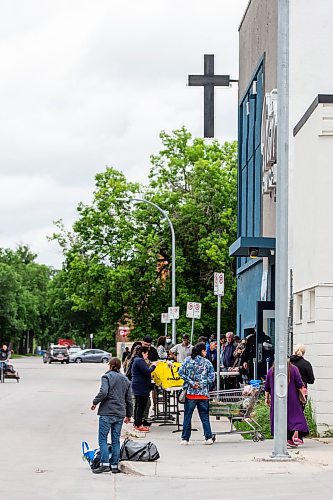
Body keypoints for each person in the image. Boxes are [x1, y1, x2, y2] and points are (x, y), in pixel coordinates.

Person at [91, 357, 133, 474]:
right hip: (120, 413)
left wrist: (95, 402)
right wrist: (129, 414)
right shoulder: (125, 380)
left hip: (107, 412)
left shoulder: (106, 377)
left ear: (110, 365)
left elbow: (104, 392)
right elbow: (129, 399)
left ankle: (104, 464)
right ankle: (114, 465)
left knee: (103, 438)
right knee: (116, 440)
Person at [264, 361, 309, 448]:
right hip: (293, 399)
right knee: (296, 417)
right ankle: (296, 435)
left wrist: (267, 398)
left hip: (277, 399)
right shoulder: (294, 369)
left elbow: (267, 387)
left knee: (280, 417)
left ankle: (286, 438)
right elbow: (299, 384)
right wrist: (302, 395)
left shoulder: (272, 370)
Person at [178, 342, 215, 445]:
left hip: (190, 393)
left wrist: (192, 383)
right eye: (205, 350)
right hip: (203, 394)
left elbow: (181, 372)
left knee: (187, 416)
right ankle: (208, 437)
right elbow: (212, 377)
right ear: (202, 351)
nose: (206, 352)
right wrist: (202, 383)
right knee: (204, 416)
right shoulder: (207, 362)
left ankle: (185, 438)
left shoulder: (187, 361)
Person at [290, 344, 315, 444]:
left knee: (289, 412)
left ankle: (289, 435)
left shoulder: (289, 363)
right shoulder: (306, 364)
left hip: (289, 390)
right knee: (300, 412)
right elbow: (311, 380)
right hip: (301, 391)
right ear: (303, 352)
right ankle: (298, 435)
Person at [131, 346, 158, 432]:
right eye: (146, 353)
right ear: (142, 353)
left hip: (138, 386)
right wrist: (153, 366)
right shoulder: (139, 360)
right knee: (141, 406)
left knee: (138, 406)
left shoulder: (137, 360)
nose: (147, 355)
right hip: (141, 387)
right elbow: (147, 371)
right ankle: (139, 424)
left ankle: (136, 423)